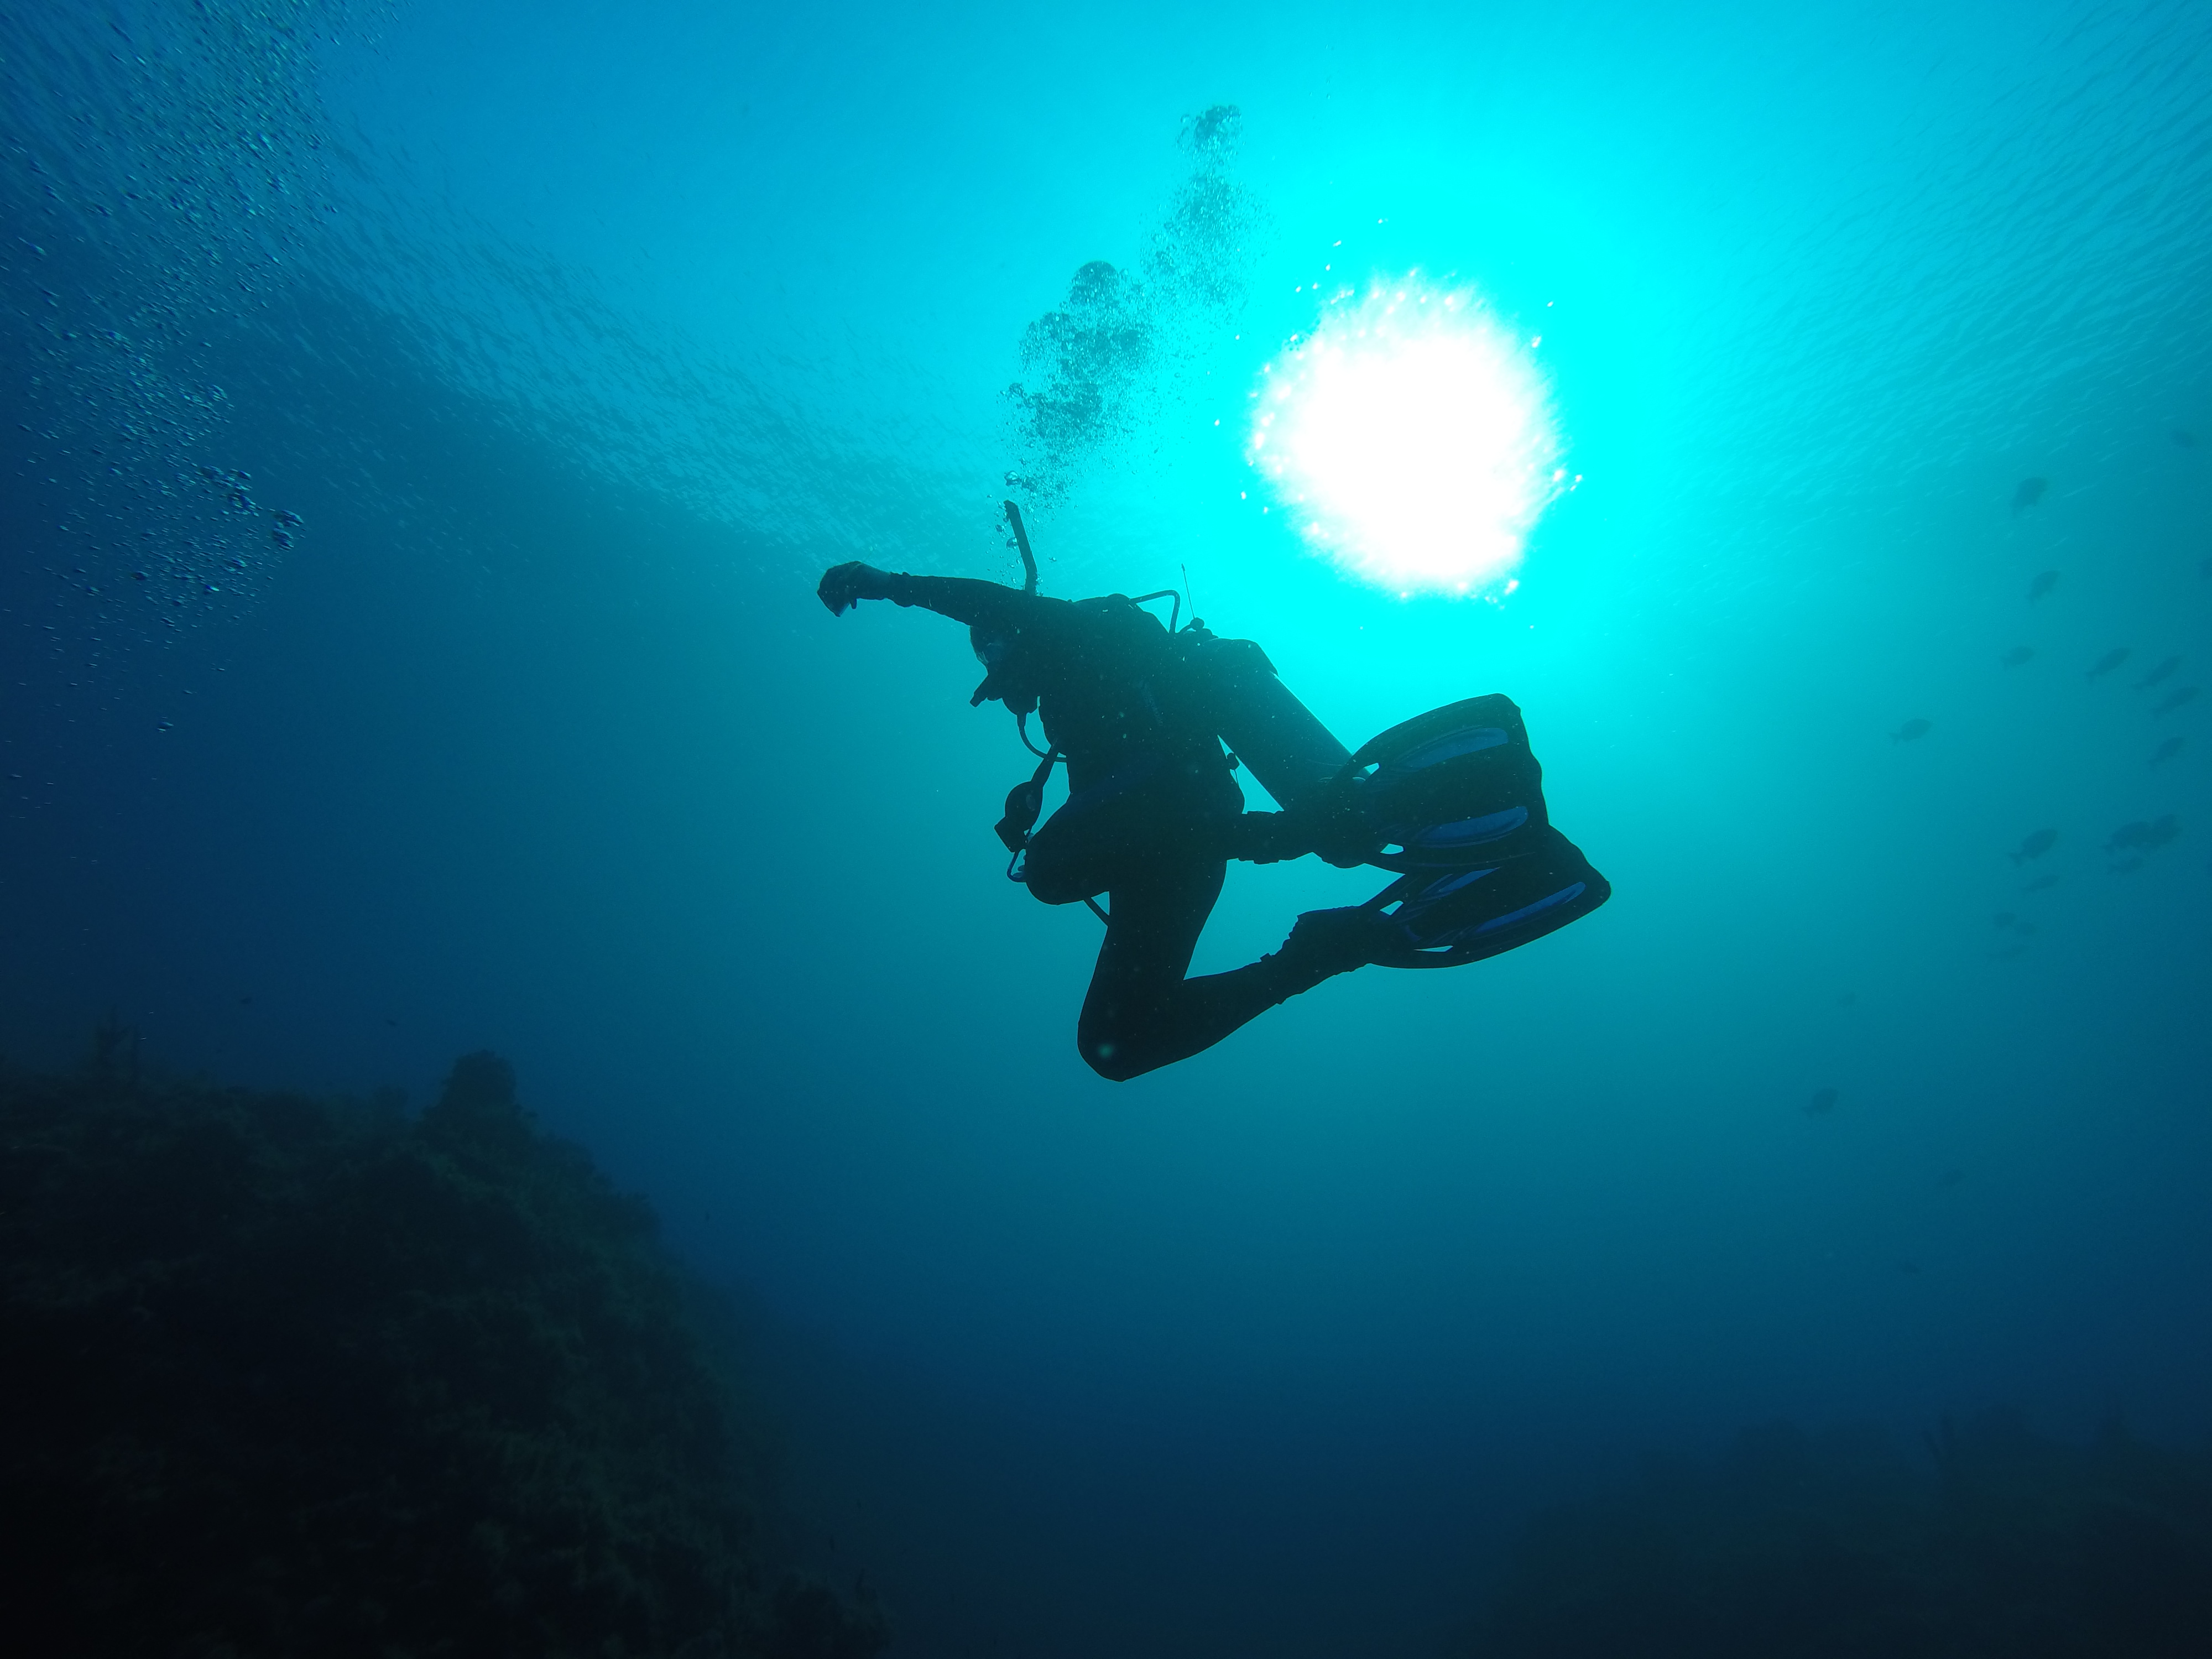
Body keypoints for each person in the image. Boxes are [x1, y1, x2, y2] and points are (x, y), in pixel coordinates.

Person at [816, 555, 1375, 1081]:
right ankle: (1320, 954)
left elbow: (990, 603)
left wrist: (889, 584)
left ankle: (1280, 834)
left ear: (1009, 638)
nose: (1002, 683)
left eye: (994, 658)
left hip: (1189, 823)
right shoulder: (1068, 688)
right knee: (1117, 1042)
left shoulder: (1068, 634)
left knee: (1047, 869)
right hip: (1170, 858)